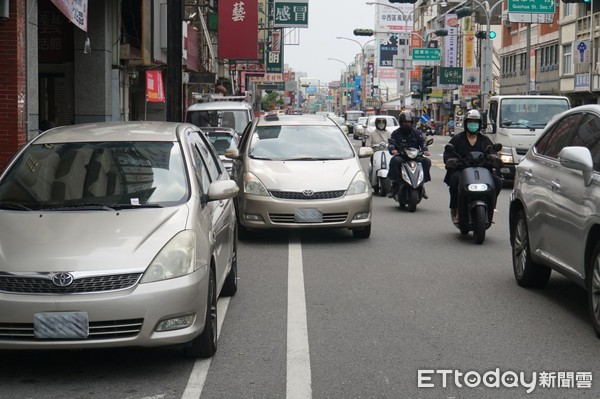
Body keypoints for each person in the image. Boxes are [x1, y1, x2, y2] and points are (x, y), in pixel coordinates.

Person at [443, 109, 503, 224]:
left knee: (498, 182)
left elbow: (492, 153)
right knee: (454, 180)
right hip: (462, 170)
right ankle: (456, 210)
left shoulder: (485, 140)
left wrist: (494, 159)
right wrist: (452, 161)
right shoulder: (457, 139)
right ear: (465, 123)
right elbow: (448, 154)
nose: (473, 125)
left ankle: (489, 208)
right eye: (471, 122)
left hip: (483, 171)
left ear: (480, 124)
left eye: (476, 122)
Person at [387, 110, 431, 198]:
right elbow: (391, 143)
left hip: (415, 156)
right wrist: (393, 150)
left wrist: (425, 150)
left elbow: (422, 142)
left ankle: (422, 185)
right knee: (395, 160)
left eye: (408, 122)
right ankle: (394, 185)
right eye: (404, 122)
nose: (407, 124)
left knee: (426, 161)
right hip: (402, 156)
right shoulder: (396, 133)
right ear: (401, 122)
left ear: (412, 122)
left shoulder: (416, 133)